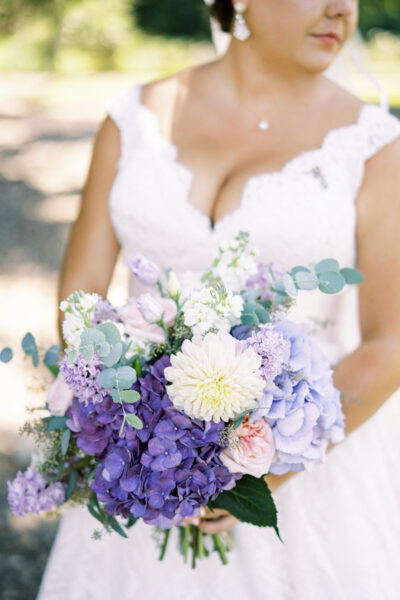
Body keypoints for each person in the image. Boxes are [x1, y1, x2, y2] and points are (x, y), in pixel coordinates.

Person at [37, 1, 400, 598]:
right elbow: (78, 303)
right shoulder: (134, 118)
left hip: (308, 475)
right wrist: (135, 420)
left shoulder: (372, 145)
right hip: (144, 458)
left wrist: (267, 465)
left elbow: (390, 341)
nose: (342, 9)